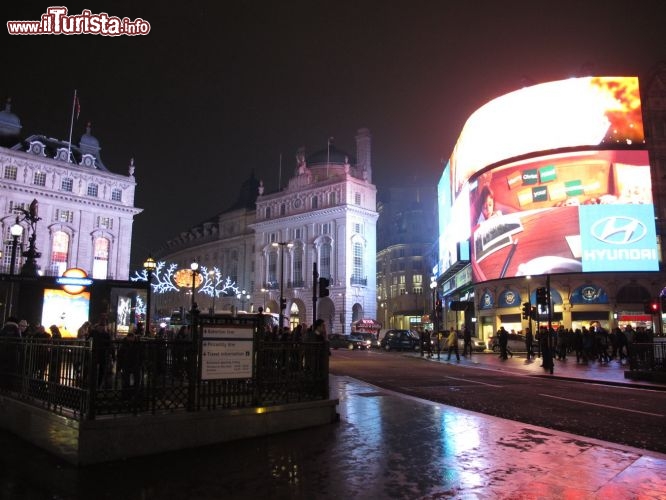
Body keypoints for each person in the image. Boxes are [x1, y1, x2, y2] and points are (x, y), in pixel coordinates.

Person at [117, 331, 143, 408]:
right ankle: (129, 396)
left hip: (132, 364)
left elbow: (120, 356)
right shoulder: (134, 344)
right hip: (129, 364)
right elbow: (120, 356)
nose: (132, 339)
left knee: (133, 381)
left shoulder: (126, 344)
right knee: (128, 381)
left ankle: (130, 396)